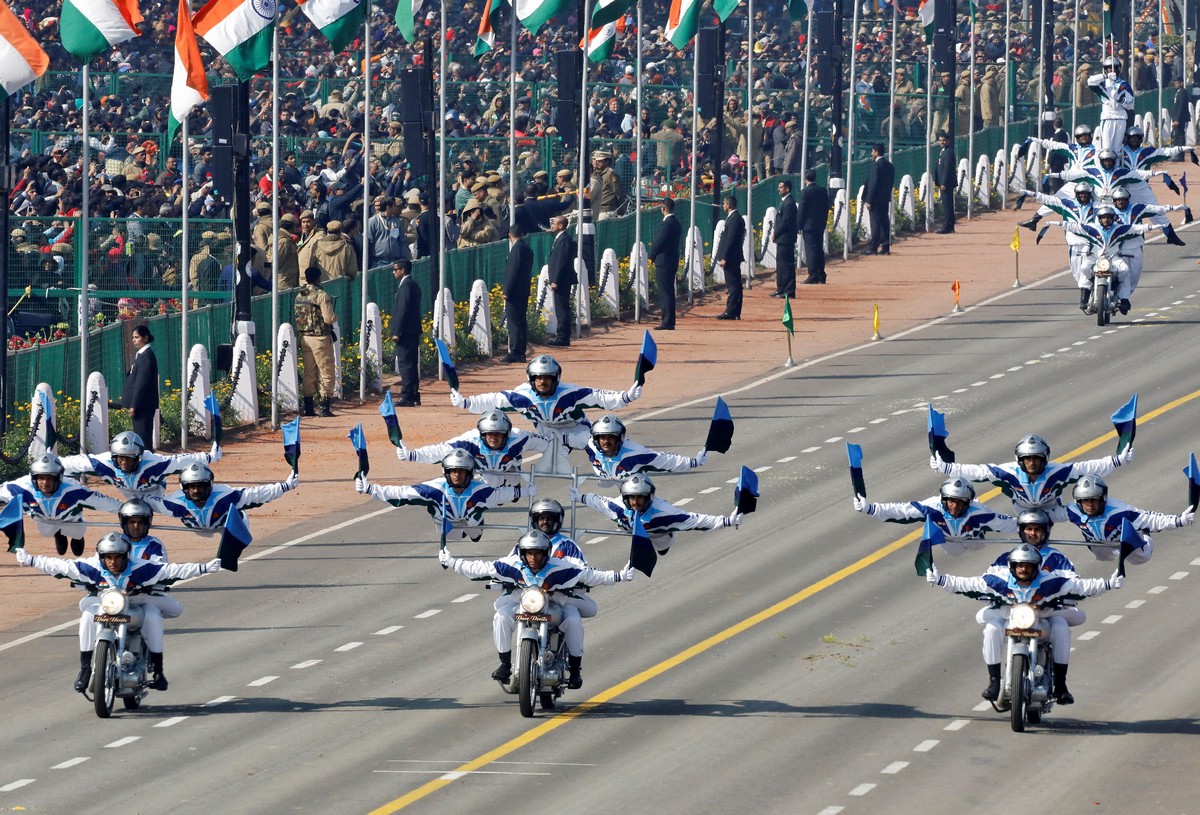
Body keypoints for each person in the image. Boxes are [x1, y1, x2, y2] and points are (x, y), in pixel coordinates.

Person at [13, 532, 222, 692]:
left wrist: (204, 568)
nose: (113, 562)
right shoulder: (91, 567)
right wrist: (30, 559)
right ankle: (85, 669)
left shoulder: (142, 568)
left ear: (126, 556)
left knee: (152, 616)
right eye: (108, 557)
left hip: (136, 601)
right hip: (108, 602)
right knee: (87, 615)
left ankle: (158, 670)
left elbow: (173, 570)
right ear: (101, 556)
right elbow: (59, 565)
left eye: (118, 557)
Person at [926, 542, 1122, 704]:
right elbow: (968, 584)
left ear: (1037, 567)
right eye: (1019, 565)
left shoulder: (1051, 582)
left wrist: (1109, 583)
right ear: (1011, 566)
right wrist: (941, 579)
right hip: (1013, 618)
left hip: (1043, 618)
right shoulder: (998, 581)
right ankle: (994, 682)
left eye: (1028, 566)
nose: (1023, 569)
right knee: (992, 628)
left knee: (1061, 628)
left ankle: (1061, 685)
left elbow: (1082, 587)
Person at [439, 530, 634, 688]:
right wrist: (452, 562)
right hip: (526, 602)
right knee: (501, 616)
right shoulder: (511, 565)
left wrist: (620, 575)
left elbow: (590, 575)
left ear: (546, 553)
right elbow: (480, 568)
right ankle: (505, 664)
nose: (533, 558)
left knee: (574, 621)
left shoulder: (560, 568)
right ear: (522, 553)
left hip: (554, 603)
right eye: (529, 553)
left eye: (538, 553)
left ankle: (575, 670)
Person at [449, 354, 642, 473]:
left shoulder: (570, 394)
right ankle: (511, 464)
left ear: (556, 379)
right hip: (547, 432)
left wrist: (626, 397)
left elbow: (599, 397)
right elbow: (493, 399)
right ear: (531, 379)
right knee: (554, 464)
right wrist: (466, 402)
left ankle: (611, 468)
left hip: (577, 430)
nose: (542, 382)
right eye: (538, 378)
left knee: (601, 445)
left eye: (547, 378)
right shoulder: (521, 396)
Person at [931, 432, 1134, 512]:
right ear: (1019, 459)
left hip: (1052, 510)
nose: (1032, 463)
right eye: (1027, 459)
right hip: (1022, 511)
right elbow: (978, 472)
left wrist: (1117, 460)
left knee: (1089, 513)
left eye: (1036, 458)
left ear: (1044, 458)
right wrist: (946, 468)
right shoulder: (1007, 472)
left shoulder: (1057, 472)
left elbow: (1086, 468)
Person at [354, 449, 526, 540]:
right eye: (453, 472)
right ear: (446, 473)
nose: (457, 475)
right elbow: (401, 493)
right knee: (454, 537)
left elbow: (501, 494)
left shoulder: (480, 489)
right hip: (446, 527)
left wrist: (526, 491)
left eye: (461, 471)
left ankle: (475, 523)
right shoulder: (434, 489)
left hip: (472, 525)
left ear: (470, 473)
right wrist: (370, 489)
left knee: (474, 531)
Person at [569, 474, 742, 555]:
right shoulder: (616, 506)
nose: (635, 503)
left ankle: (666, 538)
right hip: (632, 531)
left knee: (662, 550)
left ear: (649, 498)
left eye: (640, 498)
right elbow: (597, 501)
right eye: (631, 498)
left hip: (659, 534)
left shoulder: (666, 514)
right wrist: (579, 496)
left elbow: (697, 520)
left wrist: (728, 520)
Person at [851, 476, 1018, 555]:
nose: (954, 506)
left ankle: (974, 533)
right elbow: (901, 511)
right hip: (948, 542)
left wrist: (1036, 528)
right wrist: (871, 508)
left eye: (960, 502)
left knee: (975, 547)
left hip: (973, 540)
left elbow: (1008, 523)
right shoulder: (932, 507)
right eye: (951, 501)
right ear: (943, 499)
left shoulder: (979, 511)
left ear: (968, 502)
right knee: (954, 552)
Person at [0, 453, 123, 556]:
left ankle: (77, 537)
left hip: (70, 519)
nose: (45, 482)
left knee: (77, 550)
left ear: (58, 478)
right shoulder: (21, 488)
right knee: (46, 532)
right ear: (34, 478)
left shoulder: (74, 490)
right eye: (41, 478)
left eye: (50, 478)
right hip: (43, 520)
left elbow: (103, 502)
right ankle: (57, 533)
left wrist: (126, 509)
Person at [1057, 474, 1195, 565]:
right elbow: (1050, 515)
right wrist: (1037, 531)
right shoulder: (1072, 511)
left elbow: (1149, 518)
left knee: (1142, 557)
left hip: (1122, 539)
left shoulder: (1119, 511)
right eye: (1085, 501)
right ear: (1078, 502)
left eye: (1094, 500)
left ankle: (1145, 538)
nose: (1090, 505)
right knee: (1105, 557)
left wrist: (1178, 521)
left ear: (1103, 499)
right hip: (1097, 542)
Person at [397, 410, 551, 486]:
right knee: (493, 492)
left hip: (509, 467)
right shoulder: (468, 441)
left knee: (514, 492)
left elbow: (549, 445)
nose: (493, 438)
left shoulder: (520, 437)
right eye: (489, 434)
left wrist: (564, 447)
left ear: (507, 433)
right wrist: (411, 455)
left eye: (498, 434)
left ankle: (513, 474)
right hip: (485, 470)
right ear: (482, 433)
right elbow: (439, 451)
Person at [61, 430, 220, 500]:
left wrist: (210, 457)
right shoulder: (105, 463)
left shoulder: (154, 464)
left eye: (129, 458)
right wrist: (51, 464)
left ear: (138, 457)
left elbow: (181, 460)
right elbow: (77, 462)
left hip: (154, 493)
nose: (123, 462)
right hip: (127, 492)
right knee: (129, 513)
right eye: (120, 458)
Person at [146, 462, 298, 534]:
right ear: (184, 488)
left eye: (201, 486)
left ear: (209, 485)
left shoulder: (225, 496)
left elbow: (256, 494)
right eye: (192, 487)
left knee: (240, 514)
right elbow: (148, 501)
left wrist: (285, 486)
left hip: (222, 528)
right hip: (196, 530)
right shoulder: (174, 503)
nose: (196, 490)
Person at [583, 414, 706, 483]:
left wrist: (693, 462)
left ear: (619, 438)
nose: (606, 441)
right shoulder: (590, 444)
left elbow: (664, 460)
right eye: (602, 437)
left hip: (630, 490)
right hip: (604, 481)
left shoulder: (636, 453)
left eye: (610, 437)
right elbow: (568, 438)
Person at [294, 266, 338, 417]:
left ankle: (309, 408)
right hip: (320, 337)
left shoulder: (299, 295)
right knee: (326, 371)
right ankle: (325, 407)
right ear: (319, 277)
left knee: (309, 372)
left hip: (305, 338)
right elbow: (328, 318)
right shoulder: (321, 295)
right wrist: (334, 317)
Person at [389, 260, 422, 407]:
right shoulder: (412, 284)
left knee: (406, 364)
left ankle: (407, 395)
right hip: (412, 331)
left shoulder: (406, 286)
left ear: (403, 270)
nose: (394, 272)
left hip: (406, 332)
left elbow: (402, 310)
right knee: (411, 363)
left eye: (396, 269)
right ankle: (414, 394)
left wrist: (397, 331)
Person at [121, 324, 159, 449]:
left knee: (143, 438)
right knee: (141, 436)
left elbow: (141, 383)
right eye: (133, 337)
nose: (133, 340)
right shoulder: (142, 355)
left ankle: (147, 464)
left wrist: (134, 405)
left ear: (145, 338)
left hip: (144, 405)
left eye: (136, 337)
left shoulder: (146, 356)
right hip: (142, 405)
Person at [1087, 56, 1136, 152]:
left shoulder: (1124, 84)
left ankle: (1117, 166)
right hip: (1108, 117)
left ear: (1118, 69)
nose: (1111, 70)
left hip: (1121, 117)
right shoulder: (1101, 84)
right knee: (1107, 147)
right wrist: (1105, 77)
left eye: (1113, 68)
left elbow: (1131, 104)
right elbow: (1090, 81)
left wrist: (1120, 99)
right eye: (1108, 68)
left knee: (1117, 148)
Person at [647, 198, 682, 330]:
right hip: (671, 259)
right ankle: (669, 320)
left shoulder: (667, 224)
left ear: (663, 209)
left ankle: (667, 321)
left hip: (664, 261)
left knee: (665, 291)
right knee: (669, 291)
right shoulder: (676, 223)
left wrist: (652, 256)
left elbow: (659, 242)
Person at [502, 224, 534, 362]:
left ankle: (515, 351)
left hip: (514, 292)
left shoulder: (516, 249)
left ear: (510, 235)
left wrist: (507, 290)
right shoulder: (526, 248)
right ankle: (520, 351)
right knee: (521, 322)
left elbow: (512, 272)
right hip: (523, 290)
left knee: (514, 322)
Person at [545, 215, 577, 346]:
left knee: (561, 309)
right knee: (561, 308)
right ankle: (562, 335)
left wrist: (555, 280)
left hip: (562, 280)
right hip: (561, 280)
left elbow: (561, 261)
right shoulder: (560, 238)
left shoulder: (564, 239)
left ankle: (563, 336)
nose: (552, 225)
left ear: (561, 226)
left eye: (554, 223)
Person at [714, 195, 745, 320]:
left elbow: (730, 240)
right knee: (734, 284)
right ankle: (734, 310)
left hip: (731, 258)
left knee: (733, 285)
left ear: (729, 205)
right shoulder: (734, 218)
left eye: (724, 203)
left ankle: (731, 310)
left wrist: (724, 257)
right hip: (733, 257)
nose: (723, 206)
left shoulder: (734, 219)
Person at [797, 169, 830, 284]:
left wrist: (799, 225)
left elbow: (801, 210)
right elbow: (827, 207)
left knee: (811, 251)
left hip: (808, 226)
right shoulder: (822, 191)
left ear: (805, 179)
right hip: (819, 225)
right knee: (819, 250)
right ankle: (821, 274)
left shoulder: (804, 192)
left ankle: (813, 275)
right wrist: (824, 221)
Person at [864, 143, 895, 255]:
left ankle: (873, 247)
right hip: (885, 198)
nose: (872, 153)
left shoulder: (876, 166)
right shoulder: (889, 165)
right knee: (884, 222)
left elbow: (873, 184)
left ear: (876, 152)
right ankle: (885, 247)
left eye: (872, 151)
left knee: (875, 223)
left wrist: (869, 200)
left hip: (875, 200)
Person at [771, 178, 798, 298]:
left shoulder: (789, 203)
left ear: (787, 188)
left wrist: (776, 233)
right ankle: (781, 288)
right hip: (782, 239)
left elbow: (785, 222)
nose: (778, 189)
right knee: (781, 265)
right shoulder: (784, 202)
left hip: (786, 238)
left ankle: (788, 290)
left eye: (781, 187)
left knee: (786, 265)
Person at [935, 131, 958, 234]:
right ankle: (950, 225)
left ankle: (947, 226)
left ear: (948, 140)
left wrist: (943, 183)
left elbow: (947, 169)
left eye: (944, 140)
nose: (942, 142)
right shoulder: (943, 151)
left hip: (946, 184)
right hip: (944, 183)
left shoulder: (948, 152)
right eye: (940, 140)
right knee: (947, 204)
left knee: (947, 205)